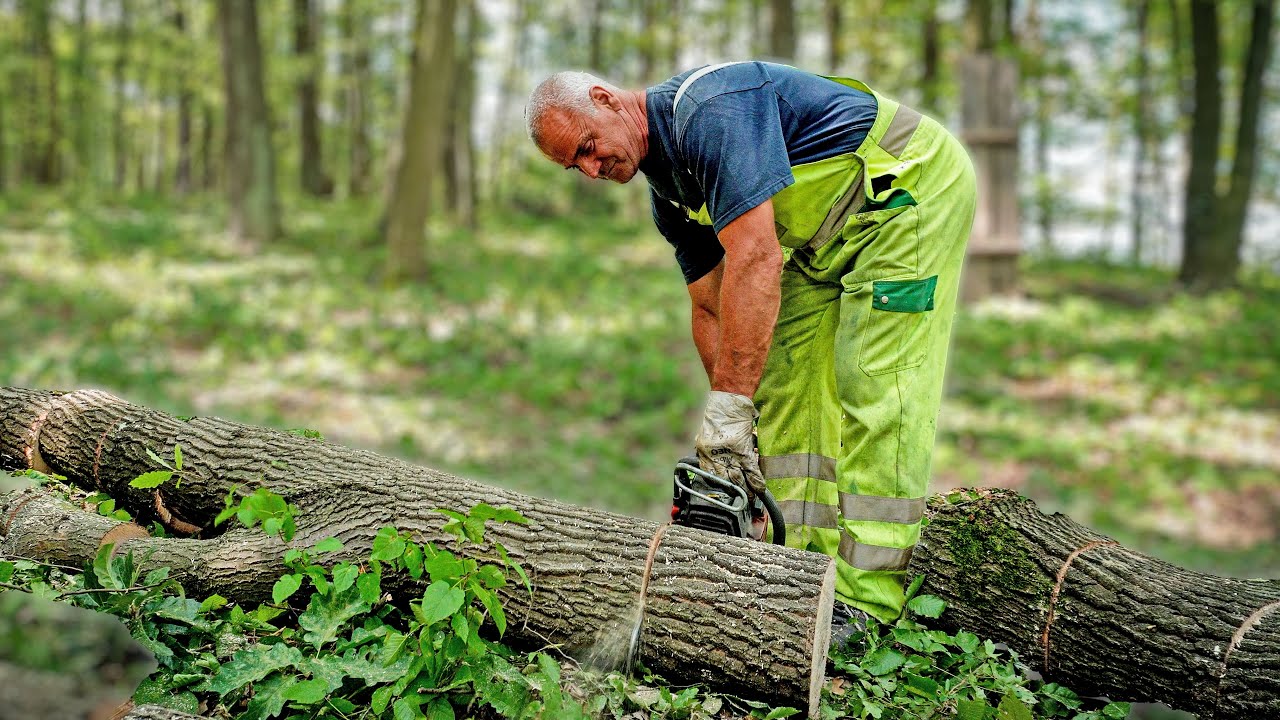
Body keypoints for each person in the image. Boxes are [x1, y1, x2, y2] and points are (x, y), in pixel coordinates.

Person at [525, 62, 976, 640]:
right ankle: (806, 575)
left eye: (587, 145)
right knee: (785, 389)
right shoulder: (670, 197)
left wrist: (732, 402)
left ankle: (870, 602)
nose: (591, 169)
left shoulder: (711, 111)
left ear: (605, 99)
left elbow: (757, 257)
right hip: (823, 239)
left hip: (907, 195)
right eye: (575, 165)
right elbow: (710, 306)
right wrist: (735, 425)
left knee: (875, 386)